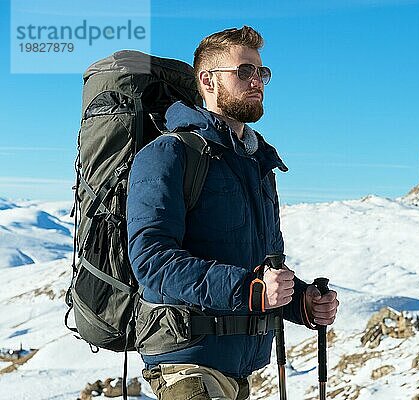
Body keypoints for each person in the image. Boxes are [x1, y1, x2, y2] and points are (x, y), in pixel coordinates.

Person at [127, 26, 339, 400]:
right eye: (244, 71)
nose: (257, 81)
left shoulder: (258, 164)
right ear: (208, 80)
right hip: (186, 361)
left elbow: (260, 267)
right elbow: (152, 261)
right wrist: (251, 289)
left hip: (239, 367)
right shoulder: (169, 154)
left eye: (261, 73)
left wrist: (301, 301)